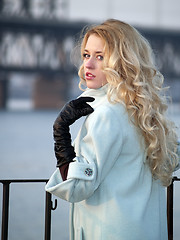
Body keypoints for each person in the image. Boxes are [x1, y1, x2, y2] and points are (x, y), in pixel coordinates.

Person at [45, 19, 180, 240]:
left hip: (109, 232)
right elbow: (172, 158)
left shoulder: (106, 114)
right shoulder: (141, 111)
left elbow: (77, 188)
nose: (88, 65)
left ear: (122, 62)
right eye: (87, 55)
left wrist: (61, 133)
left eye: (101, 57)